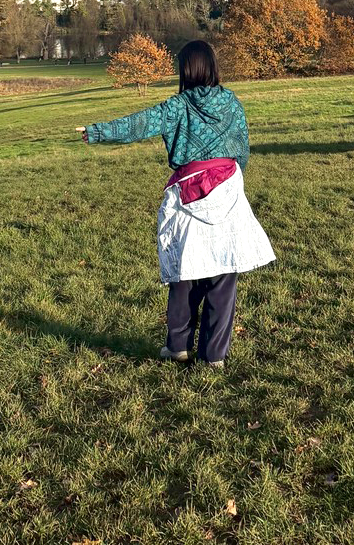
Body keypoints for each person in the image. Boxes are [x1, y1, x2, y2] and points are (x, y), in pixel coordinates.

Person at [77, 39, 274, 369]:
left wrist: (97, 132)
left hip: (187, 196)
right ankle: (213, 357)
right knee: (223, 276)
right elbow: (242, 148)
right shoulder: (231, 103)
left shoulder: (177, 106)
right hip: (227, 191)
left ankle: (178, 346)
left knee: (185, 274)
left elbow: (141, 123)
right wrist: (232, 181)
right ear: (212, 66)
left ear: (184, 70)